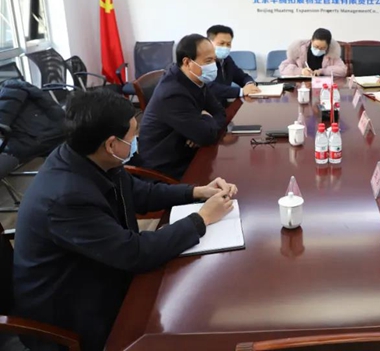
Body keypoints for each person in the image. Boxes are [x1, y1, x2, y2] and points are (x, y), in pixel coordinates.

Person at [12, 89, 238, 351]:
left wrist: (197, 192)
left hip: (101, 271)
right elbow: (135, 253)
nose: (136, 141)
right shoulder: (66, 198)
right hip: (70, 315)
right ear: (111, 144)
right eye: (133, 136)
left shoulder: (90, 157)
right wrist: (202, 218)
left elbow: (141, 193)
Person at [138, 34, 227, 180]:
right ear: (187, 62)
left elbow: (220, 113)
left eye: (214, 60)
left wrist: (201, 127)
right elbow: (206, 136)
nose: (213, 66)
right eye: (208, 61)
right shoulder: (172, 93)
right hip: (167, 168)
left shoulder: (195, 79)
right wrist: (204, 121)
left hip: (187, 151)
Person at [205, 24, 261, 101]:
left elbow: (242, 77)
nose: (225, 47)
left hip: (223, 104)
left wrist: (250, 84)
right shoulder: (203, 62)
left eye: (228, 44)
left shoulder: (227, 60)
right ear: (209, 43)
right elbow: (208, 87)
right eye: (221, 43)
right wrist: (241, 91)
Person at [278, 27, 347, 77]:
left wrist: (323, 71)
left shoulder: (332, 53)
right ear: (312, 41)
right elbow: (283, 68)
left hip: (323, 87)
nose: (319, 50)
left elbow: (343, 70)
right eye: (316, 46)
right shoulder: (299, 50)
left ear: (328, 46)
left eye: (323, 48)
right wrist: (301, 71)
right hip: (302, 87)